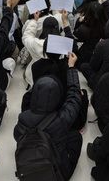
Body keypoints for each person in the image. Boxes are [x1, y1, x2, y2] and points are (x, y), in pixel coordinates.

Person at [14, 52, 82, 181]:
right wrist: (71, 68)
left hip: (28, 169)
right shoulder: (62, 119)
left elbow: (16, 135)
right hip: (56, 173)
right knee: (76, 136)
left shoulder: (23, 118)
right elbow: (74, 96)